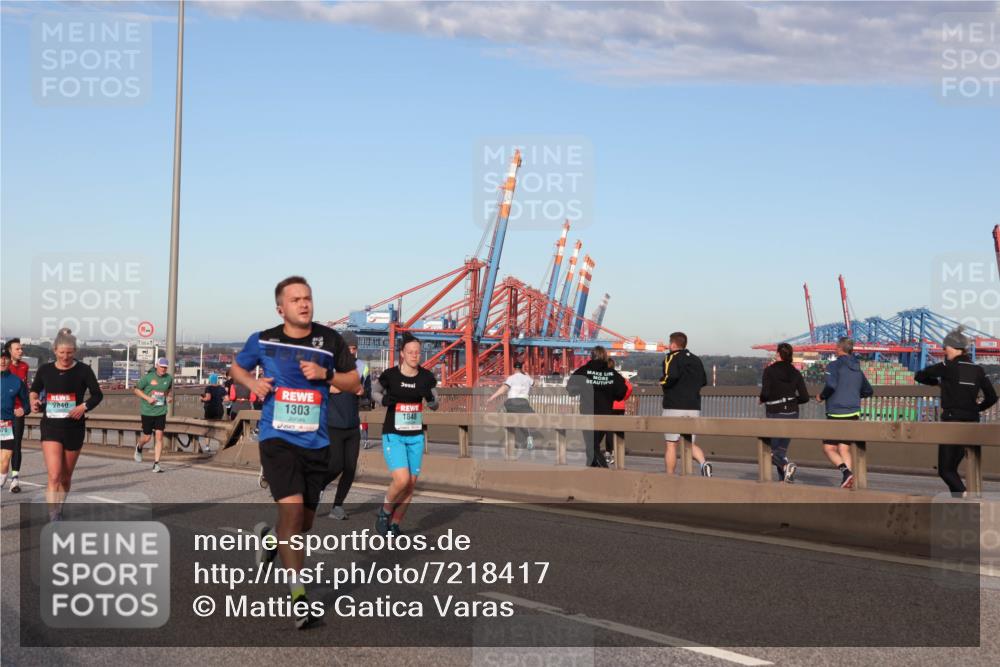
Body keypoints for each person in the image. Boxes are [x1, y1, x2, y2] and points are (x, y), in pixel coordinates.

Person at [231, 276, 358, 629]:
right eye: (296, 299)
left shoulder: (329, 340)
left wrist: (326, 374)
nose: (304, 304)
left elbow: (353, 382)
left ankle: (270, 539)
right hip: (277, 440)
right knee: (291, 512)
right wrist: (251, 382)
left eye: (308, 298)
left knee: (303, 525)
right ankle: (299, 597)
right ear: (280, 309)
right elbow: (237, 367)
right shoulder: (264, 339)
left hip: (317, 443)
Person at [29, 329, 103, 520]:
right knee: (54, 476)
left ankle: (59, 508)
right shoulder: (45, 370)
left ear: (75, 351)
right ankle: (53, 516)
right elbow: (34, 390)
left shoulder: (84, 370)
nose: (65, 356)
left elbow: (97, 395)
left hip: (74, 428)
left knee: (65, 477)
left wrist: (83, 407)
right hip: (51, 427)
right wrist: (33, 401)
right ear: (54, 350)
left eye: (69, 353)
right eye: (61, 352)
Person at [915, 327, 998, 496]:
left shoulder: (948, 366)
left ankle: (965, 499)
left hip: (952, 423)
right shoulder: (977, 369)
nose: (944, 351)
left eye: (945, 347)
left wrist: (936, 383)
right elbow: (991, 397)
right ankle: (960, 501)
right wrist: (977, 408)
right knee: (953, 468)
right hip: (972, 423)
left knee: (945, 470)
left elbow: (920, 375)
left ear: (953, 348)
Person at [373, 333, 439, 537]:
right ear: (402, 354)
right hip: (394, 434)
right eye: (410, 352)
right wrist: (383, 401)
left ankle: (395, 524)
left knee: (410, 485)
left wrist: (430, 398)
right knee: (401, 480)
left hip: (415, 437)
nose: (414, 355)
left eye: (417, 352)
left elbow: (435, 404)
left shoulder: (426, 377)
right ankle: (384, 512)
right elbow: (374, 391)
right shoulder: (390, 375)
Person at [817, 337, 874, 489]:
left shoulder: (834, 365)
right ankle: (849, 480)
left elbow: (831, 385)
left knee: (828, 448)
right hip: (853, 413)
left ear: (839, 348)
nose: (835, 349)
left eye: (836, 347)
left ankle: (846, 473)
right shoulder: (857, 368)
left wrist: (821, 396)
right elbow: (868, 390)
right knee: (844, 448)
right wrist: (853, 395)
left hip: (836, 413)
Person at [324, 331, 368, 520]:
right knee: (335, 466)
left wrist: (362, 392)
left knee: (350, 468)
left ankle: (337, 506)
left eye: (354, 348)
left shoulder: (362, 367)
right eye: (347, 348)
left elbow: (366, 394)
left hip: (352, 425)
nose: (351, 352)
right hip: (332, 423)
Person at [660, 332, 712, 476]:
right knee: (688, 443)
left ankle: (669, 477)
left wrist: (661, 382)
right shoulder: (696, 359)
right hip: (693, 406)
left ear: (673, 344)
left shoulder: (671, 357)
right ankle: (703, 463)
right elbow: (703, 381)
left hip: (674, 405)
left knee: (671, 444)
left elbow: (670, 377)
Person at [567, 346, 627, 468]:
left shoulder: (583, 371)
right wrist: (611, 395)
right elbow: (622, 391)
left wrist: (582, 389)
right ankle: (593, 474)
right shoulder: (611, 373)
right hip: (605, 415)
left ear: (592, 356)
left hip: (587, 415)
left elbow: (571, 389)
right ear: (605, 357)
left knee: (592, 447)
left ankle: (604, 472)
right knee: (593, 446)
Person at [759, 343, 810, 482]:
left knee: (770, 451)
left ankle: (786, 466)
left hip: (775, 413)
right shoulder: (795, 372)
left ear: (778, 354)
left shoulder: (769, 371)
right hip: (792, 414)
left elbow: (765, 393)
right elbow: (805, 397)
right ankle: (785, 479)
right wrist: (791, 401)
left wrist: (762, 399)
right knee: (780, 451)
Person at [133, 357, 174, 473]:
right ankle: (139, 446)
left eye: (165, 367)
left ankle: (156, 464)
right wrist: (147, 398)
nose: (163, 369)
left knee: (159, 437)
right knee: (147, 437)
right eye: (161, 367)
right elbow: (136, 390)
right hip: (147, 411)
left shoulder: (169, 378)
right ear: (157, 366)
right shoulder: (148, 377)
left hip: (161, 411)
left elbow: (167, 391)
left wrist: (168, 397)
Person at [485, 360, 536, 450]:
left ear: (514, 369)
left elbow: (503, 389)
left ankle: (509, 440)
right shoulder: (527, 378)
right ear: (521, 368)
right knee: (527, 420)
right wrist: (528, 376)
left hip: (511, 403)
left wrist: (491, 398)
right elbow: (535, 384)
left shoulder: (511, 378)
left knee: (507, 416)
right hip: (524, 403)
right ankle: (530, 439)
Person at [1, 350, 30, 490]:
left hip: (7, 425)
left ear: (9, 360)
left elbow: (27, 404)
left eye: (5, 358)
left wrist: (23, 410)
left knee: (4, 461)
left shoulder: (16, 381)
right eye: (0, 358)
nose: (2, 361)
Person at [605, 358, 633, 466]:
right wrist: (623, 398)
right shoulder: (619, 377)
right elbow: (629, 387)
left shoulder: (604, 377)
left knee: (609, 430)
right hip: (620, 407)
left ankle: (609, 453)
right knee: (619, 430)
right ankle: (618, 453)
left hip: (608, 406)